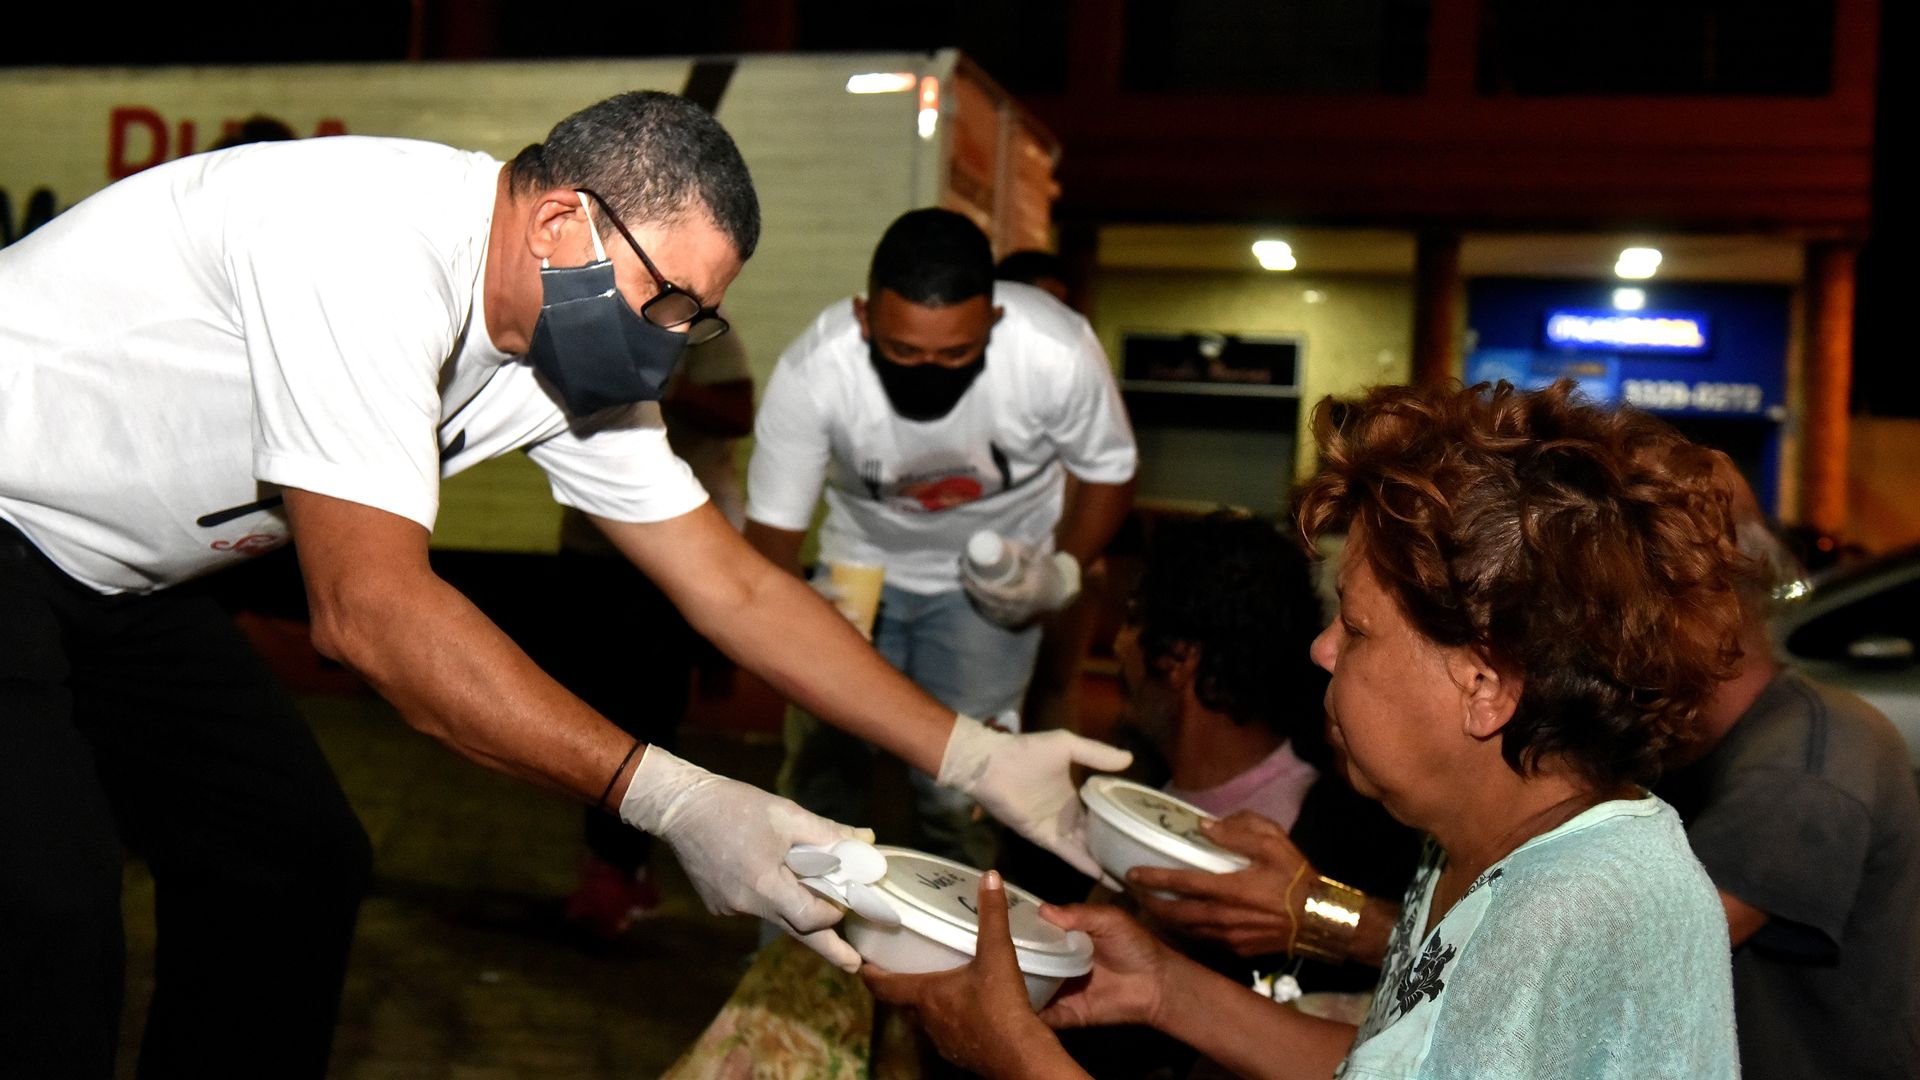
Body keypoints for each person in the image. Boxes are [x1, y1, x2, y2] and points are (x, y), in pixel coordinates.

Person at [0, 91, 1130, 1079]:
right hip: (11, 527)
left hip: (116, 582)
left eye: (697, 317)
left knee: (292, 859)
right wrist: (674, 799)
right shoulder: (359, 242)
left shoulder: (559, 354)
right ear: (560, 219)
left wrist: (971, 754)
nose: (672, 345)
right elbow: (371, 616)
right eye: (667, 302)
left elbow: (730, 587)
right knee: (47, 912)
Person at [864, 379, 1745, 1079]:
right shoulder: (1478, 843)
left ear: (1485, 684)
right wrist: (1164, 988)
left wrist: (1018, 1059)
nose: (1322, 649)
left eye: (1357, 629)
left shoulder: (1578, 910)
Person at [746, 208, 1137, 868]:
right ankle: (792, 963)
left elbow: (1110, 471)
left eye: (956, 353)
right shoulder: (818, 370)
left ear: (993, 323)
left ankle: (970, 957)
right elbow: (769, 540)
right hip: (858, 569)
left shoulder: (1054, 351)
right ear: (865, 319)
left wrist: (1062, 573)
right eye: (903, 352)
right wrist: (796, 618)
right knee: (819, 785)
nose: (929, 371)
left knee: (966, 797)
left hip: (991, 588)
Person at [1657, 461, 1920, 1080]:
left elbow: (1645, 957)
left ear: (1709, 598)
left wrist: (1384, 928)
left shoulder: (1808, 761)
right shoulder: (1668, 740)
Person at [548, 328, 757, 940]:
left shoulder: (703, 331)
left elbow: (736, 413)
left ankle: (616, 869)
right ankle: (618, 866)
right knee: (593, 708)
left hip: (677, 552)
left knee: (643, 711)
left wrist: (658, 382)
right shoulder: (584, 327)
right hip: (594, 547)